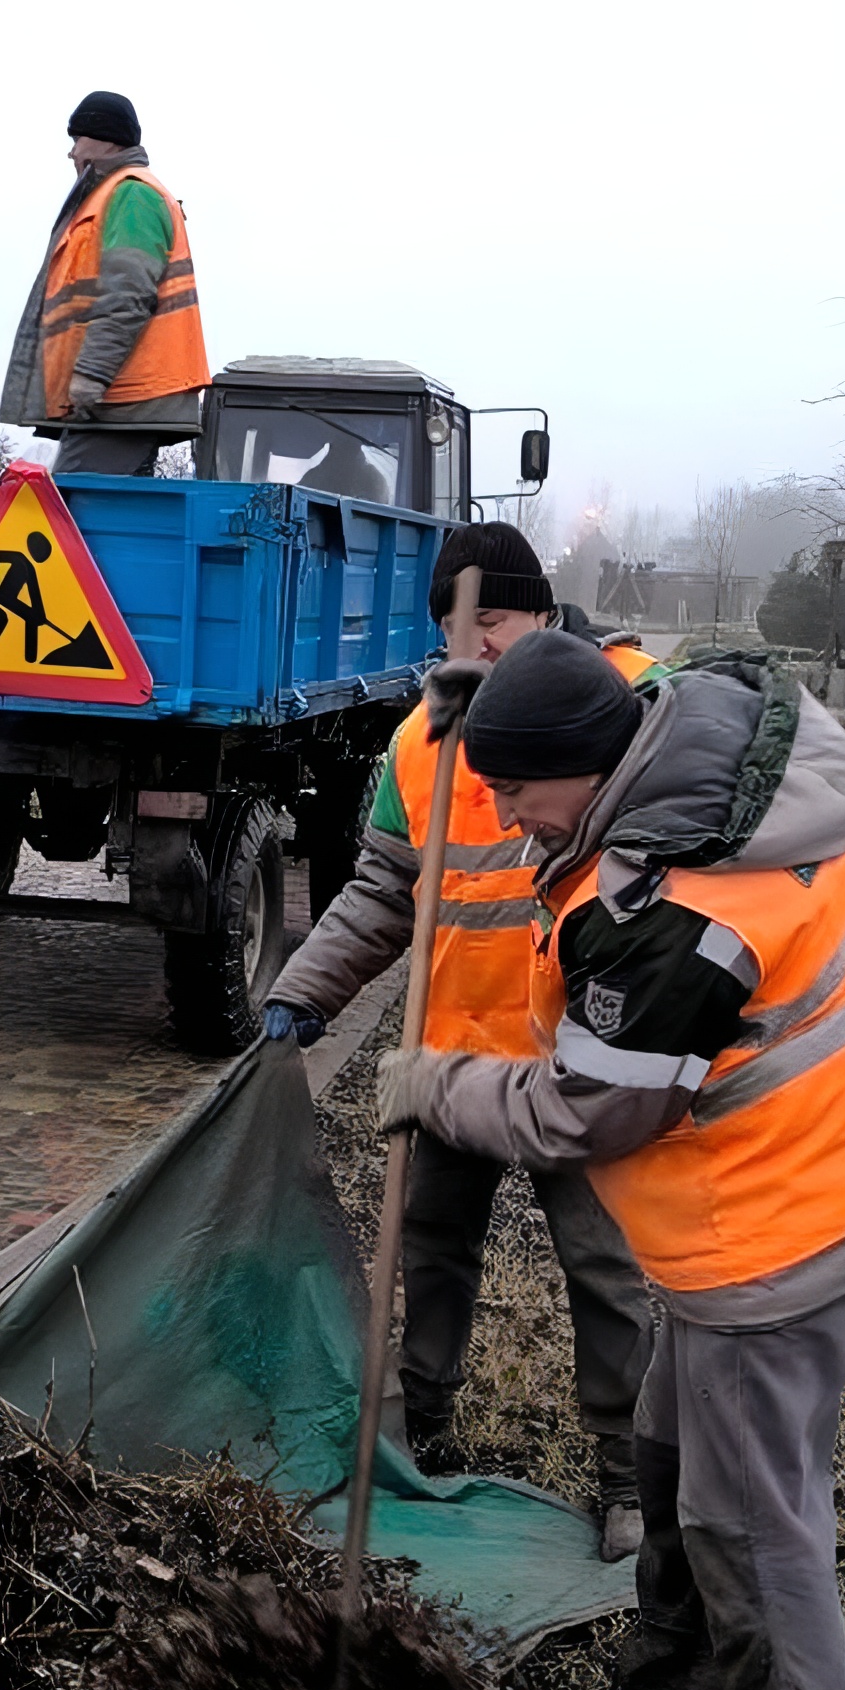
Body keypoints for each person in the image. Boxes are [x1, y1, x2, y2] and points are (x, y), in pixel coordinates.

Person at [376, 627, 845, 1690]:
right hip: (802, 1177)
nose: (499, 815)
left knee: (751, 1528)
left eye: (514, 790)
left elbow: (583, 1118)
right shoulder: (698, 753)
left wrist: (435, 1084)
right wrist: (479, 708)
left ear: (584, 762)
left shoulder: (678, 916)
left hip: (771, 1234)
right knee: (669, 1458)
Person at [264, 523, 654, 1561]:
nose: (469, 641)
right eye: (449, 623)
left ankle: (630, 1479)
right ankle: (420, 1429)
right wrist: (303, 991)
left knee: (604, 1269)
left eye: (490, 616)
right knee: (432, 1249)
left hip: (582, 1062)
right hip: (450, 1056)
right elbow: (386, 890)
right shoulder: (419, 742)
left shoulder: (628, 705)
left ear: (541, 610)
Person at [0, 89, 211, 477]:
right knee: (111, 524)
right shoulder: (115, 196)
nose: (71, 152)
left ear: (105, 139)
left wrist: (91, 374)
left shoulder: (131, 195)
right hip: (122, 398)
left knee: (69, 513)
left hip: (125, 397)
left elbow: (127, 297)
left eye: (76, 139)